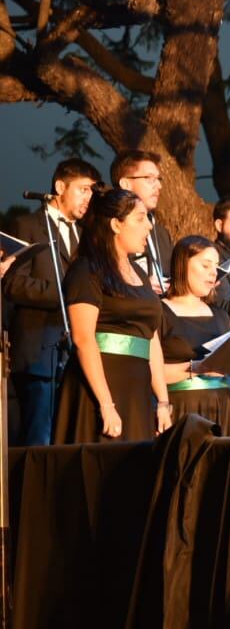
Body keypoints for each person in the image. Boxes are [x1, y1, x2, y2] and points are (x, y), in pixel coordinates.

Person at [52, 188, 171, 443]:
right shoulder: (87, 270)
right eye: (140, 219)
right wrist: (106, 404)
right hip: (101, 388)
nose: (149, 227)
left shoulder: (139, 274)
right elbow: (83, 339)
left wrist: (162, 401)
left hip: (136, 389)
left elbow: (150, 337)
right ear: (116, 224)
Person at [4, 157, 100, 445]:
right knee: (39, 437)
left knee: (69, 437)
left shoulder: (86, 235)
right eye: (83, 189)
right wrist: (64, 294)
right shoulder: (27, 225)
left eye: (92, 192)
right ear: (60, 186)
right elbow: (13, 284)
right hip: (38, 350)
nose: (89, 198)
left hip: (76, 350)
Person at [161, 235, 230, 434]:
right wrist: (195, 368)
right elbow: (148, 371)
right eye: (206, 265)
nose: (213, 273)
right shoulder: (159, 311)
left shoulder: (220, 315)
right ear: (183, 264)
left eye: (216, 267)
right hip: (180, 409)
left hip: (221, 408)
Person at [111, 149, 171, 293]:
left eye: (158, 179)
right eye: (150, 178)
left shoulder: (161, 233)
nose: (158, 186)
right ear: (125, 184)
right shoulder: (109, 229)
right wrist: (142, 285)